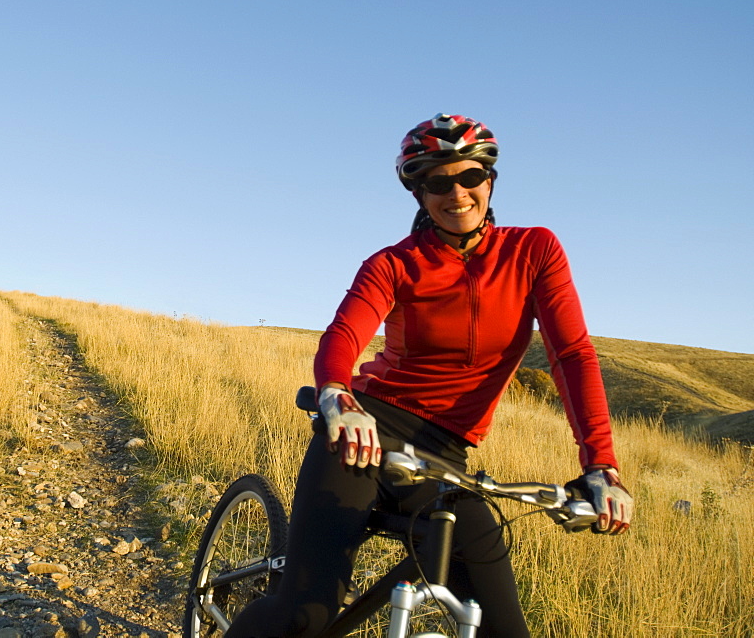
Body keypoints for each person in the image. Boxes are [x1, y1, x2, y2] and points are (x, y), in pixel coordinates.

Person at [224, 113, 633, 638]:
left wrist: (600, 465)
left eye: (469, 177)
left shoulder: (535, 251)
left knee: (504, 630)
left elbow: (572, 354)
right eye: (437, 182)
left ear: (490, 180)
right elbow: (343, 335)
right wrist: (336, 395)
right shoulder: (393, 263)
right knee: (306, 614)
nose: (456, 193)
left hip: (446, 456)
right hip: (362, 435)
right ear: (418, 192)